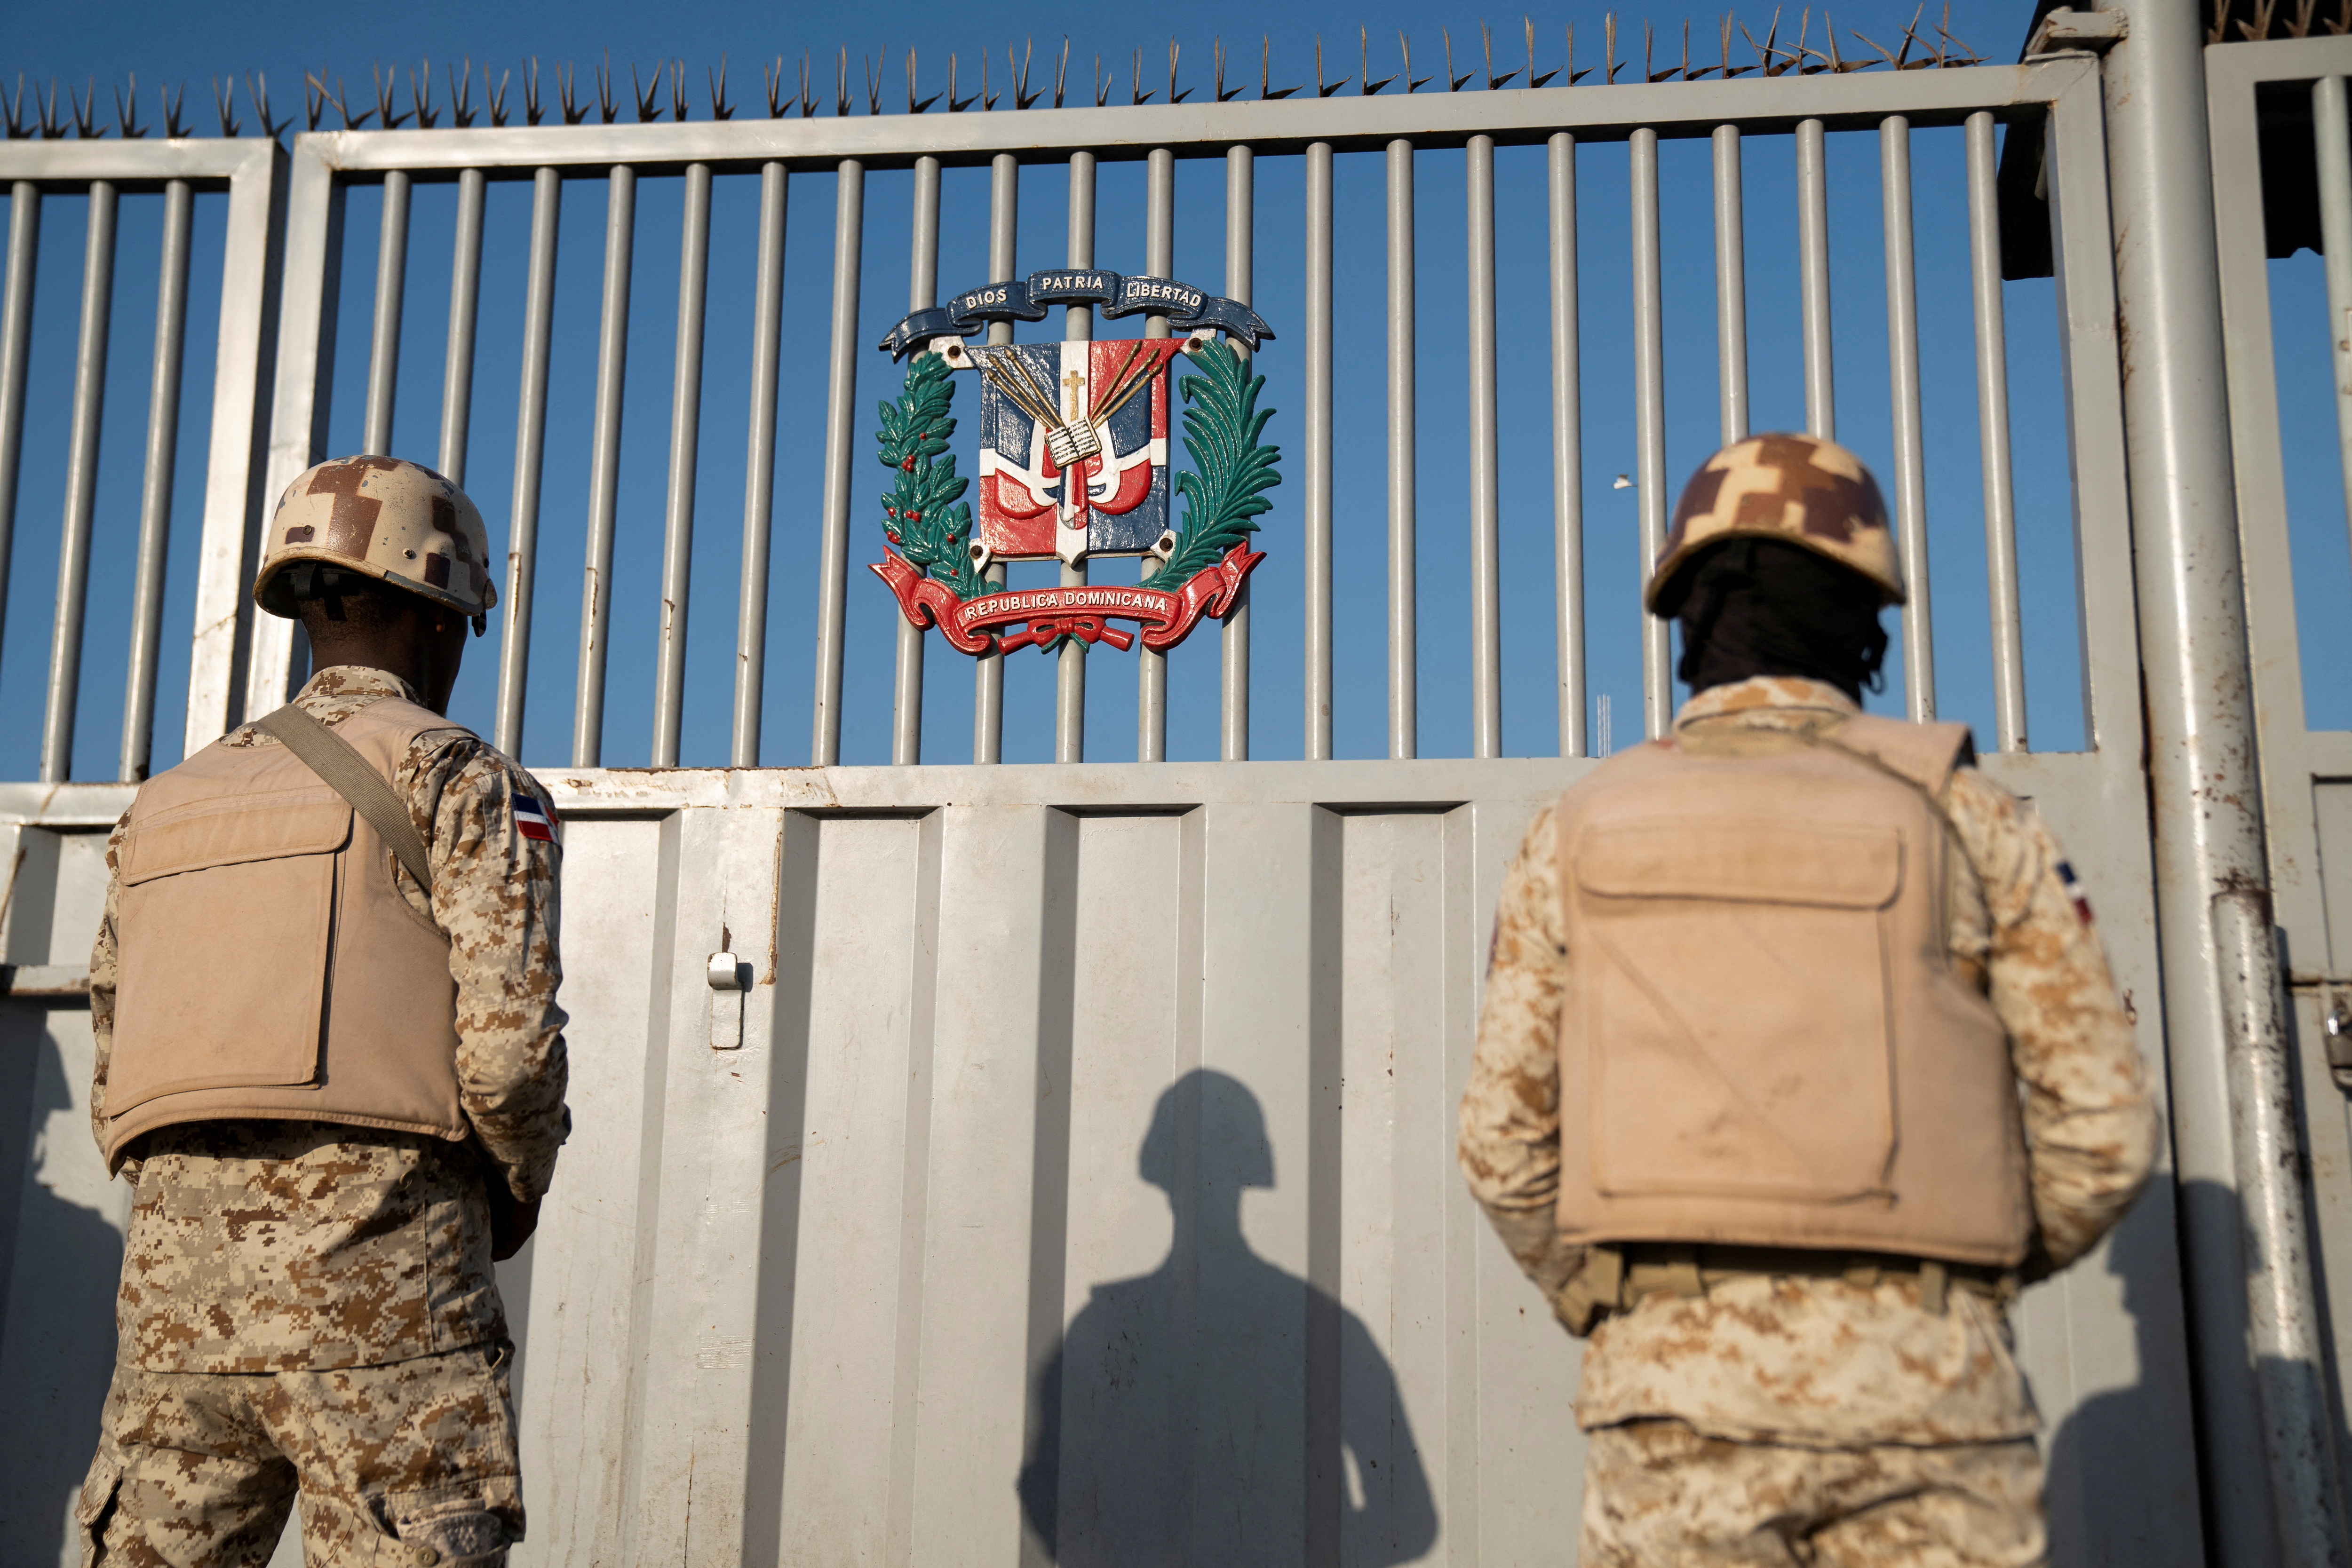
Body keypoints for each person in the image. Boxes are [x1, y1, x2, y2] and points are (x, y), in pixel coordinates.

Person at [1458, 432, 2158, 1567]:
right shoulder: (1973, 821)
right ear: (1864, 617)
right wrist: (1955, 1280)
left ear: (1684, 616)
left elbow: (1501, 1148)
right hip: (1934, 1394)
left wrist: (1622, 1306)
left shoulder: (1574, 830)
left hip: (1674, 1395)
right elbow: (2105, 1135)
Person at [73, 454, 570, 1568]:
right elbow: (508, 1055)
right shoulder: (458, 775)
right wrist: (515, 1188)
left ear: (304, 610)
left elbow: (114, 1045)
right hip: (389, 1288)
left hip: (175, 1309)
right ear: (443, 619)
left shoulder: (165, 804)